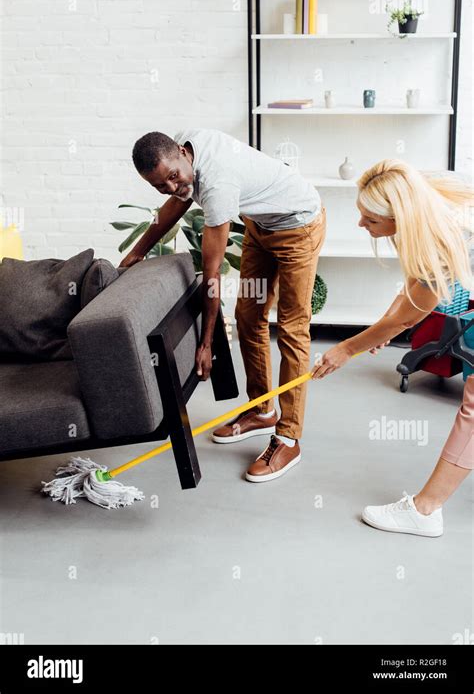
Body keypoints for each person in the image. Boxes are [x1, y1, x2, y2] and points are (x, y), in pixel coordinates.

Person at [120, 128, 326, 482]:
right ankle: (262, 411)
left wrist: (206, 345)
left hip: (298, 226)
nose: (171, 187)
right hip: (261, 226)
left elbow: (212, 274)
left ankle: (289, 438)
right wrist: (138, 249)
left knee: (292, 329)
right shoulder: (182, 150)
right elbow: (176, 202)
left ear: (184, 154)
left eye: (173, 177)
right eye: (160, 185)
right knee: (249, 318)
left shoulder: (217, 185)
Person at [312, 160, 473, 537]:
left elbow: (407, 317)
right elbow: (410, 297)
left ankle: (425, 511)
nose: (361, 225)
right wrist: (389, 320)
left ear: (398, 215)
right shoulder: (426, 190)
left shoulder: (440, 239)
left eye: (370, 220)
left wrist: (346, 349)